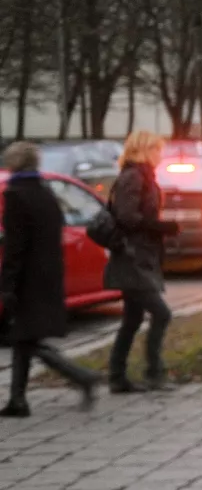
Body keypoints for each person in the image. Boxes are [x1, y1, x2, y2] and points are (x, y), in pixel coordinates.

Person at [0, 142, 100, 417]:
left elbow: (15, 246)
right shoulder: (46, 192)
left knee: (27, 339)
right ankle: (17, 401)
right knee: (23, 338)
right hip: (48, 274)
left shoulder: (15, 195)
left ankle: (82, 376)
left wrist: (7, 285)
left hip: (26, 279)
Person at [105, 131, 178, 393]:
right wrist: (159, 227)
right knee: (161, 313)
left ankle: (117, 376)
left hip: (141, 256)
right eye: (157, 150)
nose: (160, 155)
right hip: (132, 258)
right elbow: (126, 216)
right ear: (145, 150)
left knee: (133, 319)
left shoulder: (142, 176)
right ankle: (153, 372)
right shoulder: (133, 177)